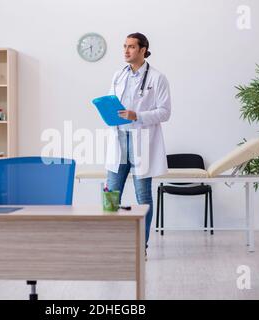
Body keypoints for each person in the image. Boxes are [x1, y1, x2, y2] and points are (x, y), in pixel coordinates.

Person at [106, 32, 171, 252]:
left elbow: (165, 112)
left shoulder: (157, 78)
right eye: (124, 46)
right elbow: (111, 101)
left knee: (143, 196)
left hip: (141, 140)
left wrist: (138, 115)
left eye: (131, 47)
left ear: (143, 49)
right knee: (111, 195)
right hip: (119, 138)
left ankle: (140, 245)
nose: (126, 50)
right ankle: (112, 243)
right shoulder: (118, 75)